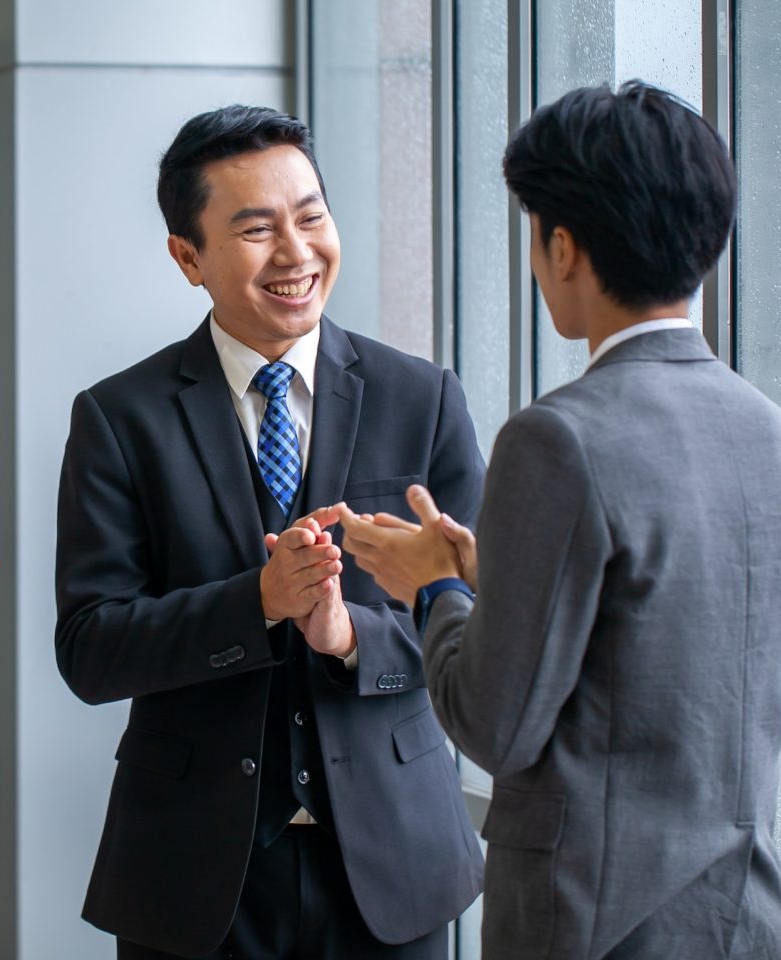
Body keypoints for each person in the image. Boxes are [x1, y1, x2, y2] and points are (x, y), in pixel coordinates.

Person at [338, 82, 781, 959]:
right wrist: (501, 574)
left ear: (564, 247)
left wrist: (433, 586)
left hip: (590, 926)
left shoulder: (557, 437)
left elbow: (494, 725)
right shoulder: (771, 431)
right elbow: (665, 639)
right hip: (741, 924)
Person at [55, 105, 486, 959]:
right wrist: (255, 601)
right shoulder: (119, 418)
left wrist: (347, 633)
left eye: (311, 217)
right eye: (256, 229)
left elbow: (481, 623)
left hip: (392, 867)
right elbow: (91, 650)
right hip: (194, 875)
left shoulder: (422, 398)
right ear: (188, 257)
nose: (296, 252)